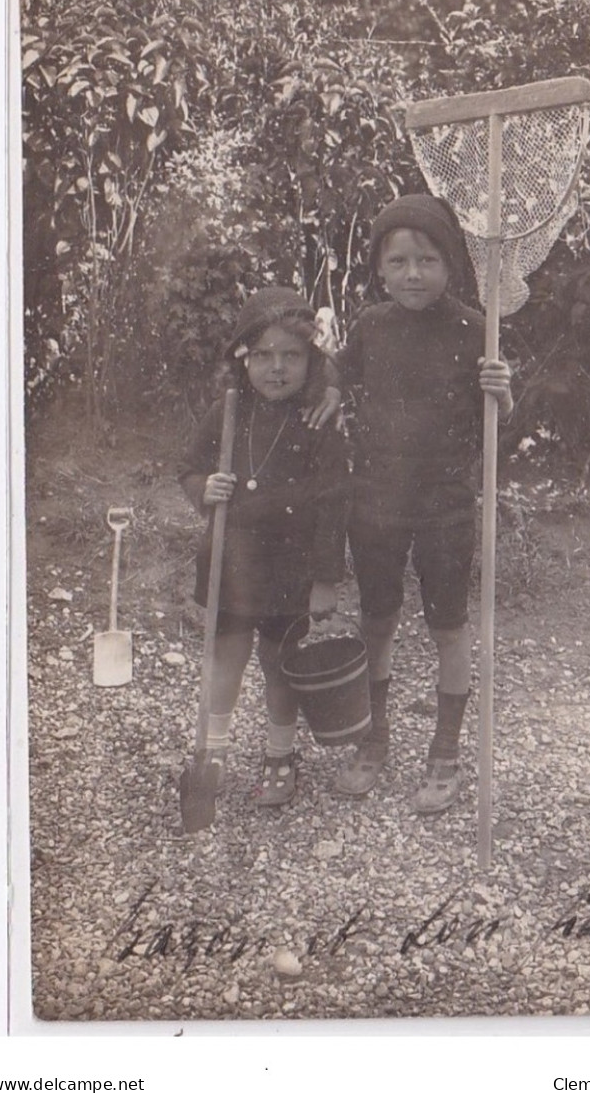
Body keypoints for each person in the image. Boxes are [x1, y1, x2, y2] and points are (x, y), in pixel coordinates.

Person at [334, 193, 514, 813]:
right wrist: (318, 392)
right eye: (400, 261)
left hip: (444, 503)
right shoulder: (369, 327)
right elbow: (334, 381)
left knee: (447, 625)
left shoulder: (473, 328)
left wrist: (502, 392)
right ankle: (373, 737)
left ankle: (444, 750)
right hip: (377, 499)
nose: (414, 274)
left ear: (450, 267)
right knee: (377, 619)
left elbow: (499, 426)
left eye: (429, 260)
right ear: (380, 268)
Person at [179, 287, 351, 807]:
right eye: (263, 356)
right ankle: (210, 753)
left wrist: (324, 580)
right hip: (230, 564)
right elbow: (188, 468)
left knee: (280, 664)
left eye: (291, 356)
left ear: (310, 359)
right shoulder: (226, 412)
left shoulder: (318, 421)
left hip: (290, 570)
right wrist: (203, 489)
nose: (276, 368)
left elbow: (334, 503)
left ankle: (280, 753)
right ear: (243, 358)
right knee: (225, 659)